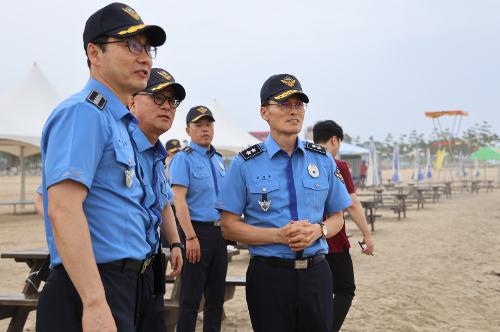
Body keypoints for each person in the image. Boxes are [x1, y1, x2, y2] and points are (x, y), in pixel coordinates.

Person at [36, 3, 167, 331]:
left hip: (129, 284)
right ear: (94, 53)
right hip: (92, 286)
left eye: (148, 48)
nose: (145, 57)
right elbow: (63, 209)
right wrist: (94, 302)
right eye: (131, 45)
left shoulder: (119, 122)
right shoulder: (84, 113)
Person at [216, 74, 352, 332]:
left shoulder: (322, 160)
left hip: (317, 274)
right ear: (264, 112)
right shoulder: (244, 164)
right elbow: (228, 227)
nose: (293, 111)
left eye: (298, 105)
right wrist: (278, 236)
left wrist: (318, 231)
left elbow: (338, 217)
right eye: (284, 104)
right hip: (269, 277)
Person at [129, 67, 187, 331]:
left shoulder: (157, 153)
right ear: (132, 100)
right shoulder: (118, 143)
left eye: (172, 101)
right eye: (157, 97)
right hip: (117, 272)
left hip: (150, 268)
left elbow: (163, 201)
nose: (167, 106)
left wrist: (175, 243)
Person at [169, 106, 228, 332]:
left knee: (215, 300)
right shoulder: (184, 159)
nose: (205, 129)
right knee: (190, 300)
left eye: (208, 124)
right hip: (196, 232)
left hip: (218, 234)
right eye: (198, 125)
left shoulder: (218, 159)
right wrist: (190, 236)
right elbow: (179, 200)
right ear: (188, 129)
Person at [313, 120, 375, 331]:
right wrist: (367, 234)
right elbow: (352, 203)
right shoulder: (337, 165)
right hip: (333, 241)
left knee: (316, 292)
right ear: (334, 139)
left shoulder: (303, 162)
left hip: (307, 240)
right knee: (345, 289)